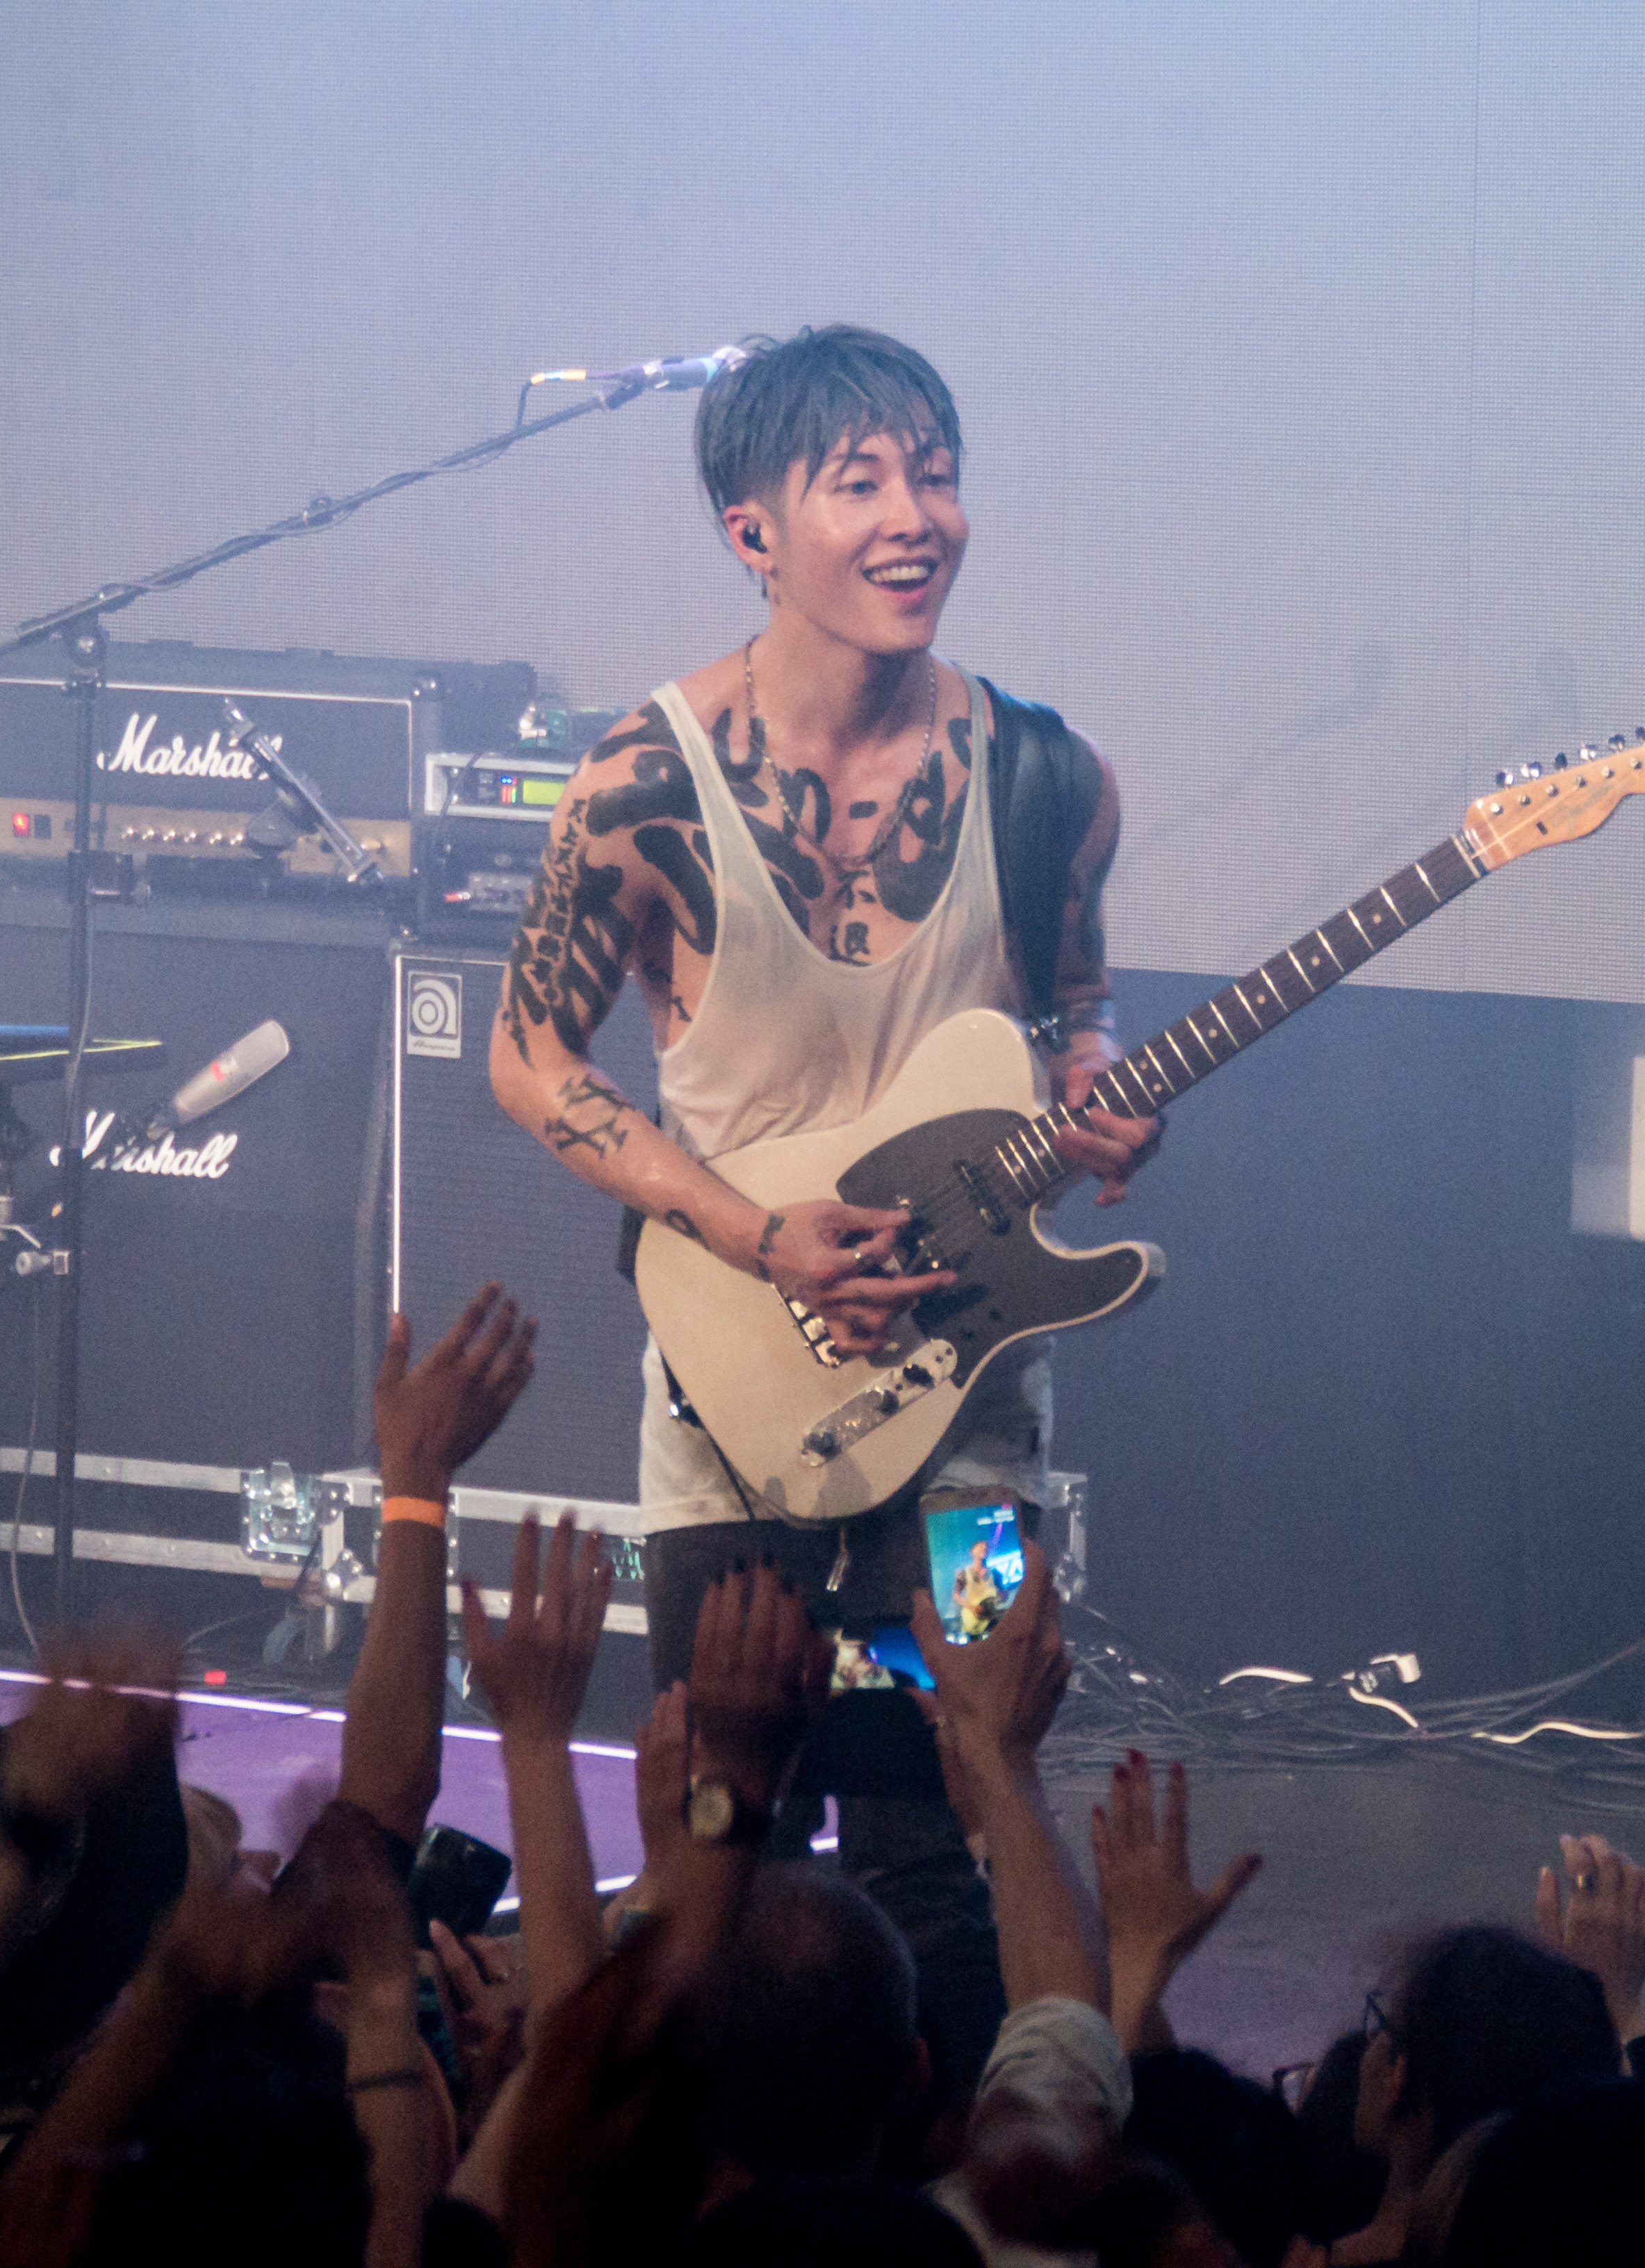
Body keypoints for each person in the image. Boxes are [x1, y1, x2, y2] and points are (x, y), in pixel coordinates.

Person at [487, 324, 1159, 2069]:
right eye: (860, 482)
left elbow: (1077, 1003)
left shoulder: (1051, 778)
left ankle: (966, 2162)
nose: (915, 516)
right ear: (753, 532)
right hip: (731, 1389)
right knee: (735, 1822)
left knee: (968, 1801)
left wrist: (1093, 1090)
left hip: (979, 1402)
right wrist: (752, 1233)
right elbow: (530, 1060)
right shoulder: (643, 786)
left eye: (936, 475)